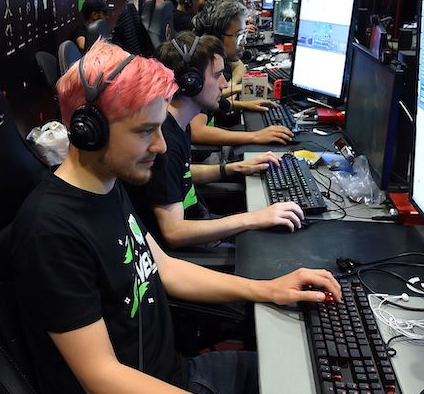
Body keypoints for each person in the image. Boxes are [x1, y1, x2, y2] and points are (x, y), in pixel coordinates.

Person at [10, 39, 366, 394]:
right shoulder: (51, 231)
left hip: (177, 377)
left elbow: (164, 267)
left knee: (315, 377)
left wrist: (266, 289)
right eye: (145, 131)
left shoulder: (107, 185)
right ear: (88, 131)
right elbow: (103, 380)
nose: (161, 146)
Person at [130, 32, 303, 251]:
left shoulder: (179, 124)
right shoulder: (165, 140)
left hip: (201, 222)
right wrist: (252, 218)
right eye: (217, 75)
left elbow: (179, 173)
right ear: (191, 82)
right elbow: (173, 232)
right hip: (189, 249)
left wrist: (234, 167)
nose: (223, 84)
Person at [191, 0, 294, 146]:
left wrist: (243, 105)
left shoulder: (215, 57)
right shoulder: (204, 66)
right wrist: (255, 136)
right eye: (240, 36)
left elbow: (212, 103)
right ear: (218, 37)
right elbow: (197, 132)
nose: (244, 41)